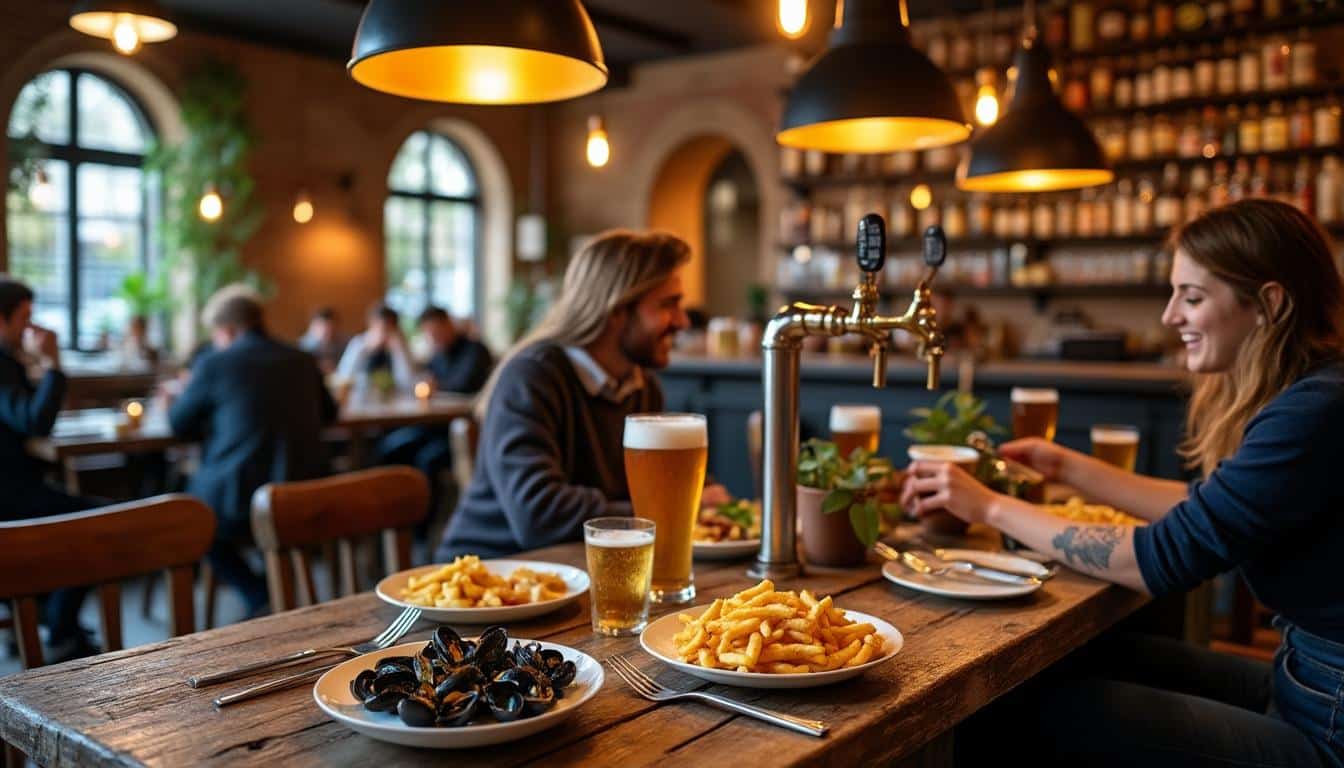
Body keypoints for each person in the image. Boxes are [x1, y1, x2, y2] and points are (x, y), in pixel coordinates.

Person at [900, 200, 1344, 767]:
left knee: (1003, 710)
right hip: (1305, 679)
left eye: (1192, 296)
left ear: (1269, 305)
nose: (1169, 316)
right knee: (1077, 661)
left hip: (1326, 722)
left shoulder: (1314, 410)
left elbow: (1158, 558)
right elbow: (1206, 512)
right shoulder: (1313, 392)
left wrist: (988, 506)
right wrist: (1066, 467)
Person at [435, 230, 708, 559]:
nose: (682, 321)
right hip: (485, 577)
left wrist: (691, 497)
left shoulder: (642, 386)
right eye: (668, 305)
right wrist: (664, 506)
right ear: (617, 308)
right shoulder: (532, 376)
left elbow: (652, 487)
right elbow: (538, 515)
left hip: (581, 574)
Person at [168, 286, 337, 615]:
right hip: (305, 494)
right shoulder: (302, 358)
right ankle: (275, 583)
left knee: (189, 519)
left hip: (239, 501)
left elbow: (179, 425)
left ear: (226, 329)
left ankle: (258, 593)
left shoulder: (215, 363)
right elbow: (330, 414)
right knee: (259, 513)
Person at [0, 278, 105, 660]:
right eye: (25, 318)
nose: (32, 328)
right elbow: (35, 422)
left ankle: (44, 621)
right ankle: (59, 630)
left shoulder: (9, 363)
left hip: (17, 486)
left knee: (77, 512)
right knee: (103, 521)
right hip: (9, 498)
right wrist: (53, 363)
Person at [378, 307, 493, 519]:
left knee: (427, 460)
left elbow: (464, 384)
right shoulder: (438, 354)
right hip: (433, 427)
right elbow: (423, 380)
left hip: (464, 432)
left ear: (448, 324)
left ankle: (424, 526)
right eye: (429, 334)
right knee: (391, 448)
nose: (433, 338)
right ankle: (396, 518)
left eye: (436, 332)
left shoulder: (475, 351)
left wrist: (435, 386)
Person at [336, 304, 414, 398]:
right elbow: (343, 377)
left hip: (396, 399)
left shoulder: (400, 346)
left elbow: (409, 382)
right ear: (370, 324)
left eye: (388, 328)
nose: (383, 333)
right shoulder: (358, 344)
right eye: (379, 327)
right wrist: (364, 349)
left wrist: (398, 351)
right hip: (361, 401)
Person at [298, 306, 346, 375]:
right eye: (321, 326)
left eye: (331, 328)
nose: (326, 331)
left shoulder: (343, 342)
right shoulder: (302, 347)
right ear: (311, 327)